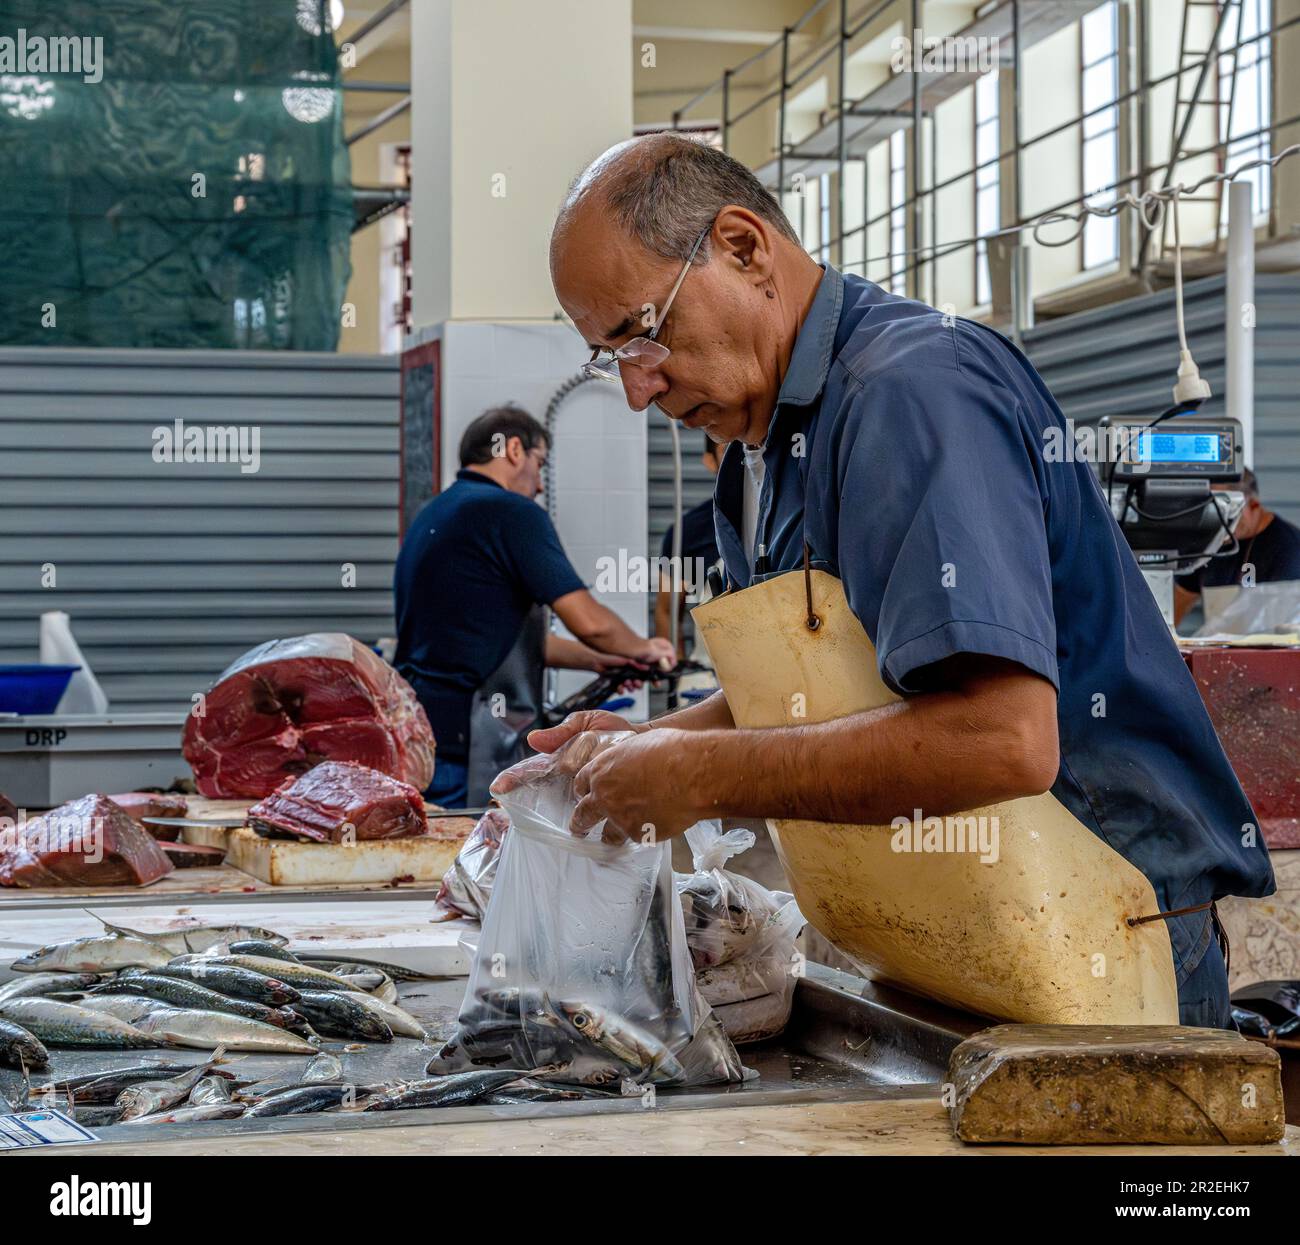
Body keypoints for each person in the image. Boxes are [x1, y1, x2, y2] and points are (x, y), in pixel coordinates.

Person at [528, 133, 1274, 1028]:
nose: (639, 393)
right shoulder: (762, 448)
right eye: (610, 362)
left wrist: (698, 770)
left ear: (742, 246)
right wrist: (621, 753)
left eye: (641, 336)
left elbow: (1001, 739)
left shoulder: (915, 392)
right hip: (958, 942)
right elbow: (831, 691)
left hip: (1100, 944)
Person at [393, 405, 674, 808]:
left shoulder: (437, 513)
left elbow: (502, 640)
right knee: (476, 859)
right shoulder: (511, 512)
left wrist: (599, 662)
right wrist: (645, 647)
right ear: (513, 450)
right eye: (540, 463)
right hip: (473, 744)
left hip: (426, 734)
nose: (540, 485)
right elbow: (589, 621)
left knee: (442, 857)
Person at [1174, 467, 1300, 625]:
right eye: (1210, 510)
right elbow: (1178, 604)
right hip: (1217, 646)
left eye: (1227, 510)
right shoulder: (1207, 543)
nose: (1219, 520)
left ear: (1253, 504)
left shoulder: (1289, 548)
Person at [653, 434, 724, 658]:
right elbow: (667, 611)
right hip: (709, 674)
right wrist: (679, 671)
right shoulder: (687, 532)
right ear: (710, 461)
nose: (739, 459)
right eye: (728, 450)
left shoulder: (785, 519)